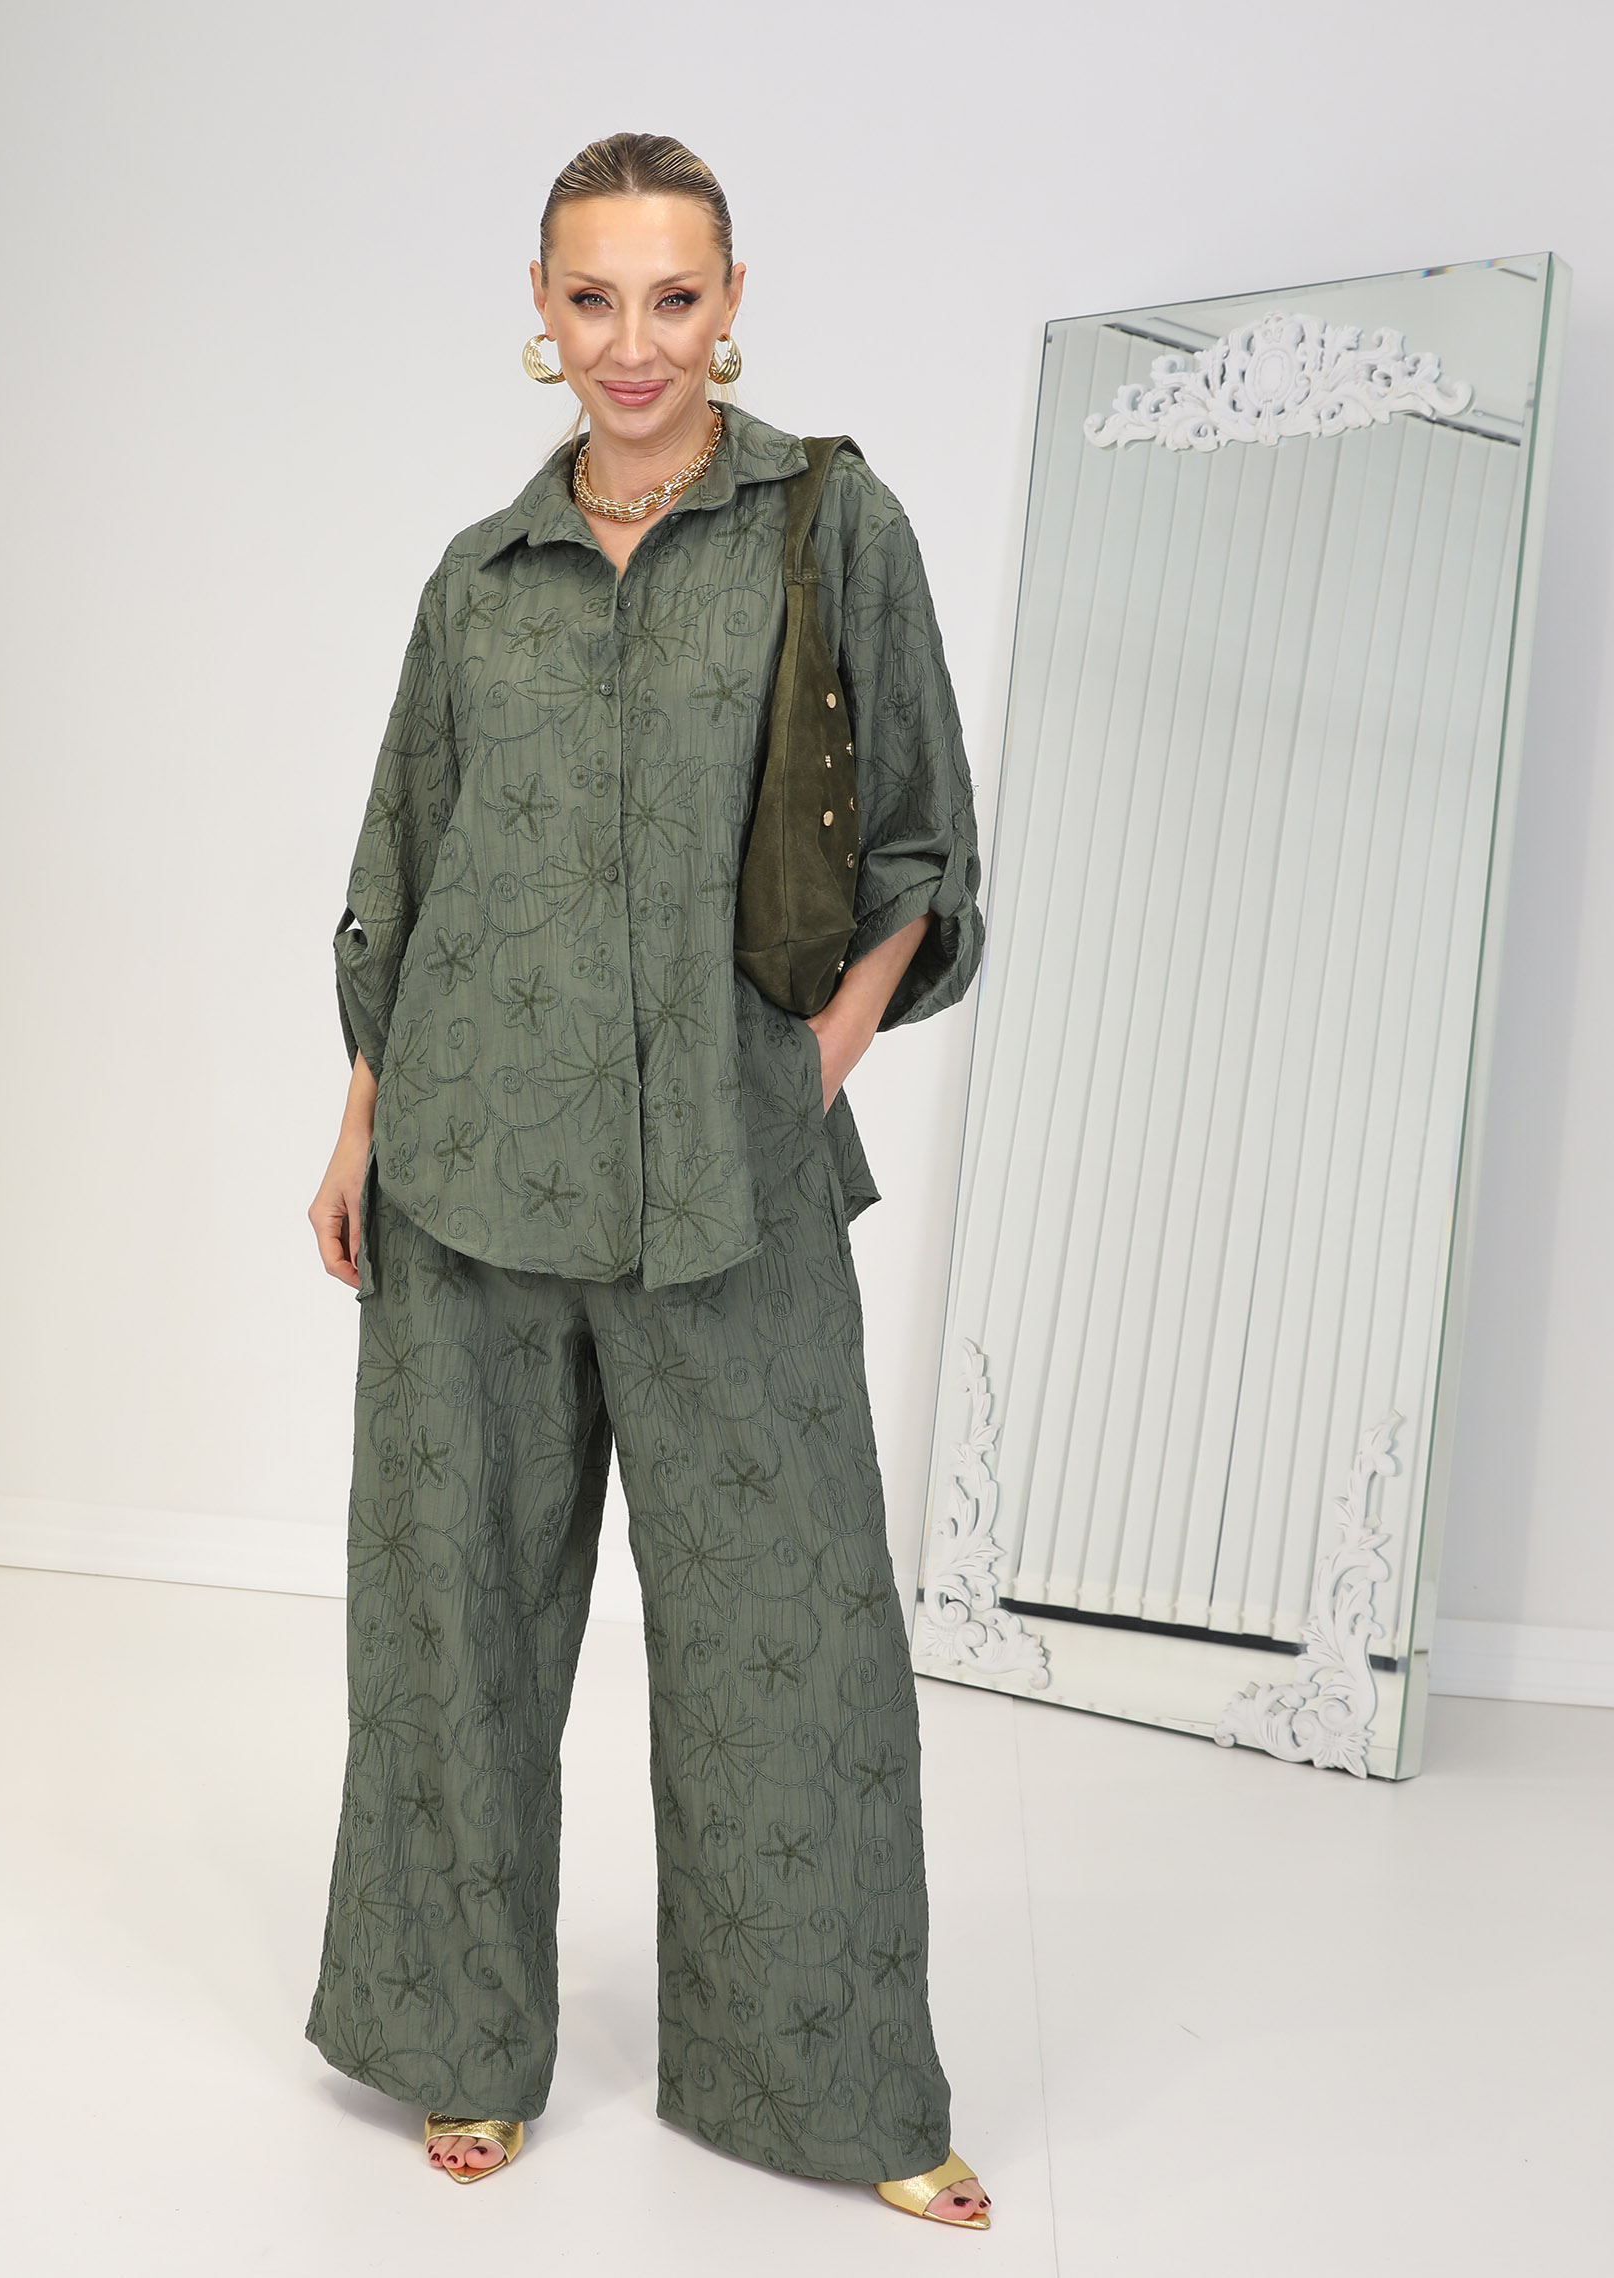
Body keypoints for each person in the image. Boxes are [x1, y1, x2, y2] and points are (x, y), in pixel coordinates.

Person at [304, 130, 991, 2230]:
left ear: (731, 300)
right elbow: (405, 862)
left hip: (730, 1180)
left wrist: (812, 1067)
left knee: (797, 1626)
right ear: (540, 306)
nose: (633, 344)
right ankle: (455, 2041)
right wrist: (358, 1121)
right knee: (454, 1626)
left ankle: (837, 2082)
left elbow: (921, 847)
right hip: (466, 1174)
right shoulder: (476, 578)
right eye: (592, 299)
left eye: (672, 299)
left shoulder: (830, 526)